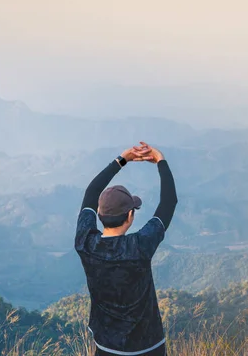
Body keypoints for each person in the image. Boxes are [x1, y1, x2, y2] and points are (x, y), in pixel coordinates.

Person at [75, 142, 177, 356]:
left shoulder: (85, 243)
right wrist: (160, 160)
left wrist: (122, 159)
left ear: (99, 215)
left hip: (106, 347)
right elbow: (169, 202)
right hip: (149, 347)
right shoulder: (139, 246)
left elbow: (91, 192)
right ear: (130, 216)